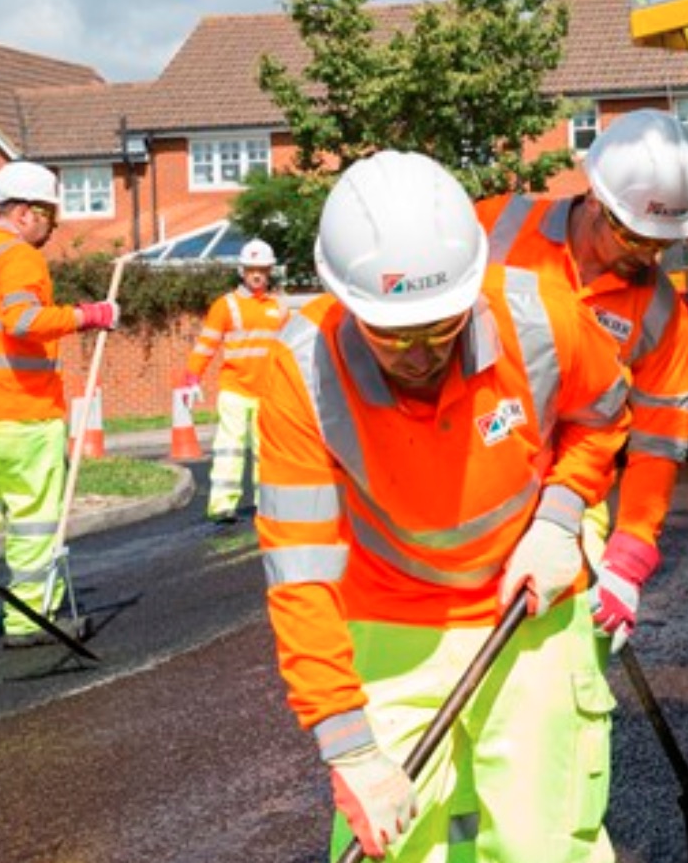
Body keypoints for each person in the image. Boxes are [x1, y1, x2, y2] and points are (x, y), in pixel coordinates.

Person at [255, 150, 630, 861]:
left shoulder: (539, 318)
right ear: (349, 305)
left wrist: (560, 517)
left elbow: (603, 413)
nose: (422, 354)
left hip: (527, 607)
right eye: (394, 335)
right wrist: (350, 747)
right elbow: (300, 572)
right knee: (393, 840)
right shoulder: (303, 372)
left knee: (543, 841)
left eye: (441, 327)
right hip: (390, 615)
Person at [477, 108, 688, 655]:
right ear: (597, 200)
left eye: (661, 244)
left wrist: (628, 559)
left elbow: (657, 446)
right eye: (635, 236)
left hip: (572, 496)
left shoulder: (661, 316)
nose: (647, 255)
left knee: (560, 662)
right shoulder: (494, 229)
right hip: (472, 478)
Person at [0, 161, 119, 648]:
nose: (53, 229)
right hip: (23, 414)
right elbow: (22, 320)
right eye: (49, 217)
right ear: (24, 213)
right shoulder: (18, 256)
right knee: (34, 520)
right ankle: (30, 619)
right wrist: (89, 315)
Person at [179, 238, 288, 524]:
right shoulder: (225, 306)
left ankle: (268, 504)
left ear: (269, 271)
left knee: (267, 452)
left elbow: (288, 349)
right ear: (242, 271)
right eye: (251, 269)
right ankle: (222, 506)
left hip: (269, 392)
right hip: (235, 389)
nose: (256, 274)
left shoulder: (280, 307)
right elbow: (206, 345)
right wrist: (192, 378)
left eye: (262, 269)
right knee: (230, 449)